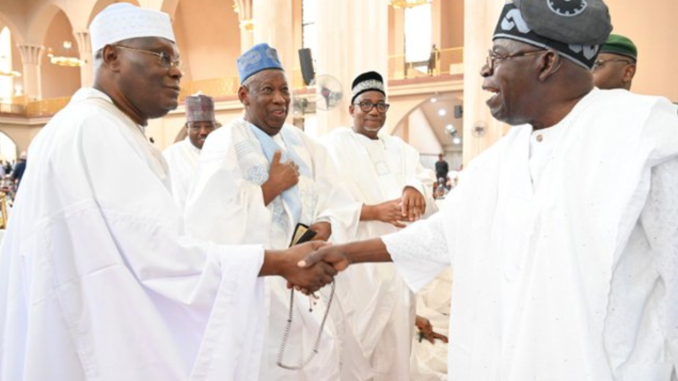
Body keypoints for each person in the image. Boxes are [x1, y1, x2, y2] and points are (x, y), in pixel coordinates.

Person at [301, 1, 678, 380]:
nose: (483, 72)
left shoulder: (646, 137)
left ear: (546, 63)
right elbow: (442, 234)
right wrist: (347, 252)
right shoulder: (501, 159)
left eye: (497, 57)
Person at [0, 5, 337, 381]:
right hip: (92, 343)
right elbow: (162, 255)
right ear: (111, 57)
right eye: (161, 56)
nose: (177, 70)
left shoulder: (104, 127)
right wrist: (277, 262)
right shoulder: (95, 131)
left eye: (177, 59)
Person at [184, 43, 361, 381]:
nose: (280, 99)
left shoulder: (304, 143)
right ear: (243, 95)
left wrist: (324, 225)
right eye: (267, 90)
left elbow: (338, 199)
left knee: (313, 361)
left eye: (284, 90)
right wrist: (270, 188)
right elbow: (206, 224)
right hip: (262, 286)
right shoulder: (225, 144)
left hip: (309, 277)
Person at [321, 71, 439, 381]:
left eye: (380, 106)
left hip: (398, 259)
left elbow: (422, 175)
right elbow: (323, 201)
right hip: (358, 261)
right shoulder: (332, 146)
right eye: (366, 104)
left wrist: (415, 187)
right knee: (357, 335)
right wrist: (372, 212)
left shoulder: (399, 147)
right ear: (352, 109)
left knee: (398, 331)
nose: (374, 112)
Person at [163, 93, 220, 207]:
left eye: (208, 126)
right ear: (187, 127)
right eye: (196, 126)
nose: (203, 131)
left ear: (215, 126)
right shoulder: (172, 155)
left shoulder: (224, 151)